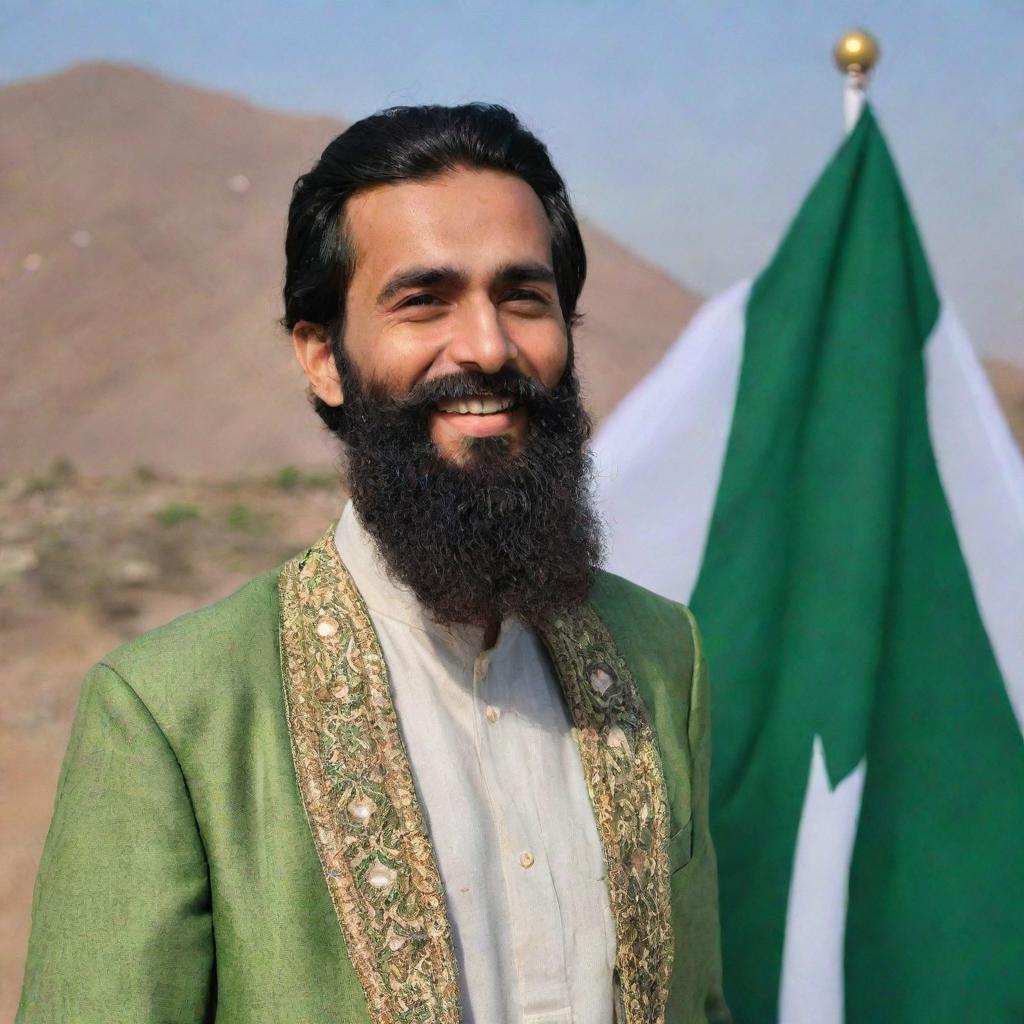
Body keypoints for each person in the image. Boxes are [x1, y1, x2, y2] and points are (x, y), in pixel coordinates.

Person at [18, 104, 729, 1024]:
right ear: (323, 358)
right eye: (423, 301)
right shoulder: (173, 713)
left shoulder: (660, 655)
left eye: (523, 297)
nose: (486, 346)